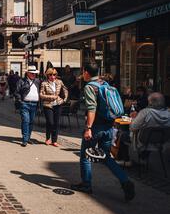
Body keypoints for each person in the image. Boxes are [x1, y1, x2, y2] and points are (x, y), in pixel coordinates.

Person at [71, 62, 135, 202]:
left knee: (86, 155)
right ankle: (125, 181)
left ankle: (86, 184)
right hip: (109, 127)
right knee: (106, 157)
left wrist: (88, 128)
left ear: (86, 72)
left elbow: (92, 109)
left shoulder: (90, 87)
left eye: (83, 72)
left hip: (96, 127)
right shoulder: (105, 84)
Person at [129, 93, 170, 164]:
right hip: (161, 143)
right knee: (150, 136)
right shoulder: (168, 113)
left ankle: (125, 160)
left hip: (143, 142)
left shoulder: (146, 112)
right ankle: (143, 157)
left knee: (122, 135)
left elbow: (132, 127)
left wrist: (134, 118)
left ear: (150, 102)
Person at [40, 68, 68, 147]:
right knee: (50, 122)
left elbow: (65, 89)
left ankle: (54, 140)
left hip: (58, 104)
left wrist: (64, 99)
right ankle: (48, 138)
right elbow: (41, 95)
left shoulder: (59, 82)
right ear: (47, 75)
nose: (52, 76)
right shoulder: (44, 83)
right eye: (50, 75)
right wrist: (51, 97)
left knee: (56, 123)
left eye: (54, 75)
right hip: (48, 105)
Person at [15, 65, 41, 147]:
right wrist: (20, 101)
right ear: (28, 73)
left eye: (34, 73)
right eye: (32, 73)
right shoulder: (21, 81)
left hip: (34, 104)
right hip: (25, 104)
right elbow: (16, 92)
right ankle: (25, 139)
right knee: (26, 120)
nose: (34, 75)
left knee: (31, 122)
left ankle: (28, 137)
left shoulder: (37, 81)